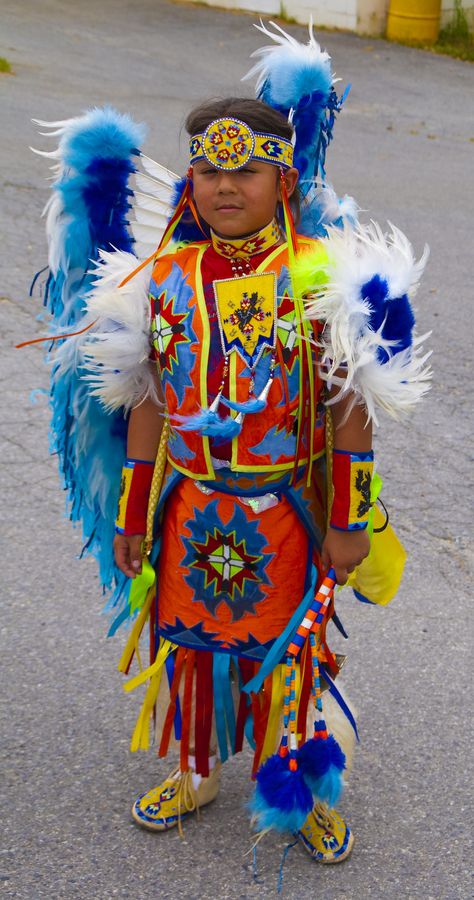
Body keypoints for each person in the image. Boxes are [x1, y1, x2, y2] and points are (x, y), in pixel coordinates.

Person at [32, 21, 429, 868]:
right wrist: (134, 512)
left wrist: (350, 516)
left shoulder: (318, 276)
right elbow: (143, 406)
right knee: (193, 645)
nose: (221, 186)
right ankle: (198, 765)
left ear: (284, 179)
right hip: (189, 504)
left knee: (295, 647)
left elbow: (347, 406)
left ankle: (300, 777)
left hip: (286, 505)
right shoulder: (159, 278)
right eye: (207, 170)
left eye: (243, 169)